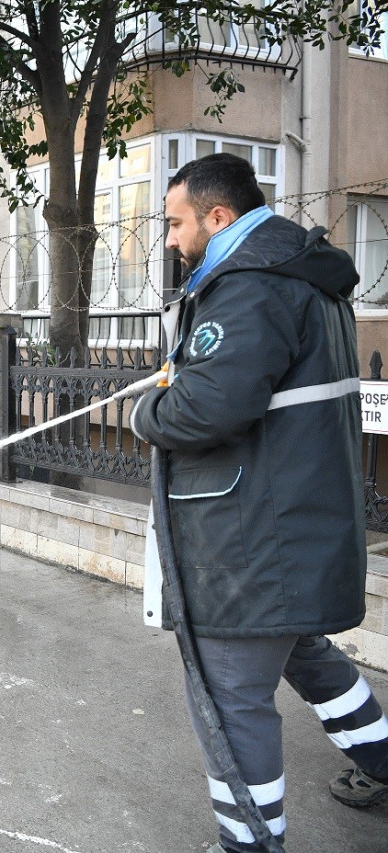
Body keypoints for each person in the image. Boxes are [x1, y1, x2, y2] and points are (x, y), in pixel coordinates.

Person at [132, 152, 388, 853]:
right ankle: (385, 759)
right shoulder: (301, 274)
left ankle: (249, 843)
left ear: (219, 218)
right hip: (291, 527)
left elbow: (207, 409)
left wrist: (146, 413)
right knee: (305, 651)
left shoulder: (249, 287)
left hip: (251, 542)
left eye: (176, 223)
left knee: (231, 698)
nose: (170, 239)